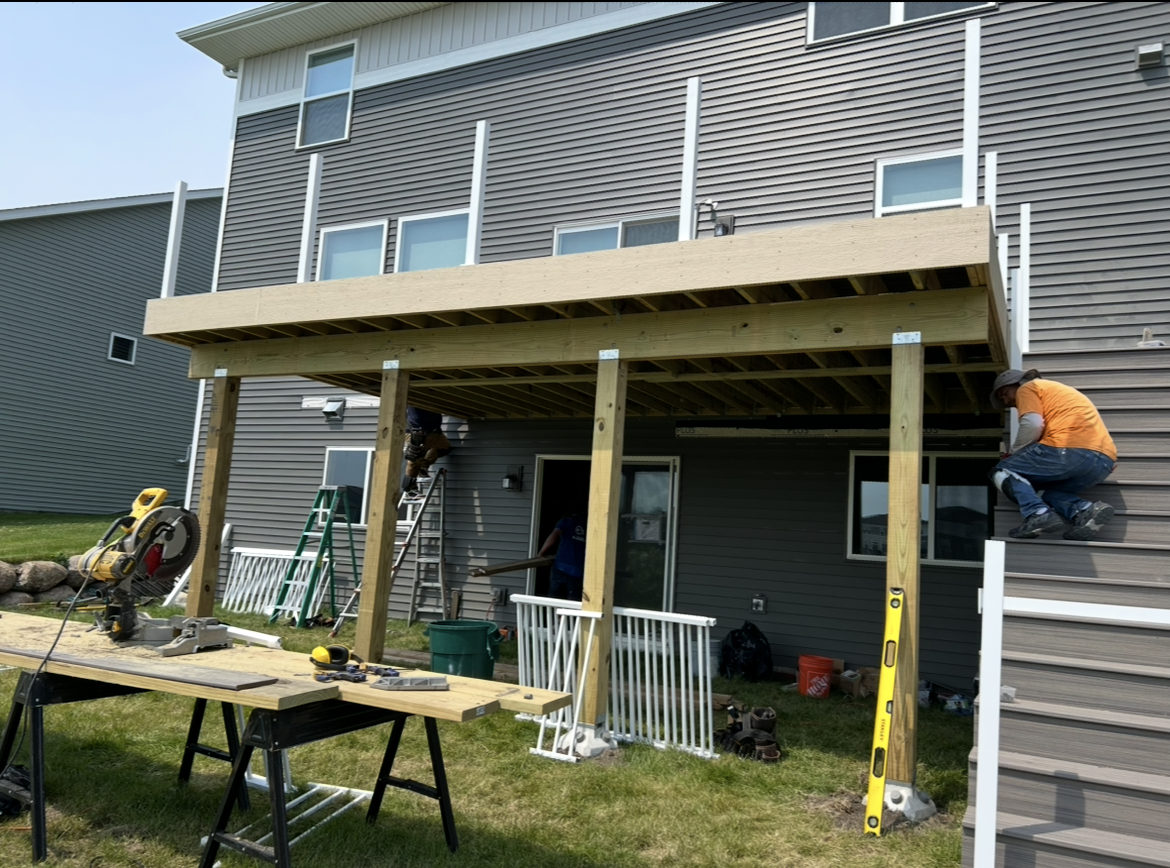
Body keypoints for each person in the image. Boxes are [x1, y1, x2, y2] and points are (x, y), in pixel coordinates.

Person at [989, 368, 1117, 540]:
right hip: (1102, 463)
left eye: (1004, 393)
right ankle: (1084, 510)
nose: (1006, 401)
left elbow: (1033, 424)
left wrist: (1013, 454)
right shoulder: (1053, 392)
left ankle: (1037, 513)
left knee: (1001, 471)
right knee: (1039, 490)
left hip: (1070, 450)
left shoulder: (1027, 388)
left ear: (1016, 383)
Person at [537, 511, 587, 600]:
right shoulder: (586, 525)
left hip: (560, 567)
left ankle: (554, 613)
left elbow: (554, 535)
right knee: (572, 605)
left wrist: (541, 552)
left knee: (553, 600)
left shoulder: (565, 521)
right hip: (576, 572)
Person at [402, 405, 451, 495]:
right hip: (418, 431)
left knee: (444, 448)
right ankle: (409, 489)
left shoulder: (434, 395)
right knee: (415, 458)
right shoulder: (417, 396)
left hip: (434, 431)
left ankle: (423, 466)